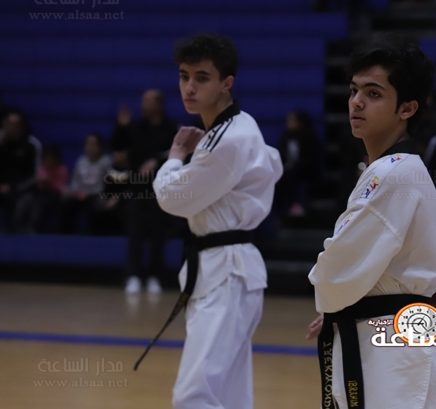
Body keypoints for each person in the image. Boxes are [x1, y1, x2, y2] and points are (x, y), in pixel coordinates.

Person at [305, 33, 436, 409]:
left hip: (390, 345)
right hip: (396, 337)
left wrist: (334, 299)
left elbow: (336, 268)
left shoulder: (393, 173)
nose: (357, 101)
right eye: (354, 90)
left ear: (407, 108)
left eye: (373, 93)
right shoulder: (397, 169)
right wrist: (340, 305)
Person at [143, 33, 283, 409]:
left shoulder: (228, 138)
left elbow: (171, 197)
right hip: (226, 269)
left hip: (227, 272)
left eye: (202, 77)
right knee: (229, 396)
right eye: (184, 76)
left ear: (226, 83)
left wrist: (175, 156)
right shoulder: (237, 128)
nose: (189, 87)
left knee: (193, 396)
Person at [111, 90, 179, 294]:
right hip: (137, 188)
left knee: (158, 234)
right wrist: (121, 126)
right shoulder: (135, 127)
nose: (143, 105)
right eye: (143, 101)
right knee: (135, 233)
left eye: (147, 101)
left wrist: (156, 161)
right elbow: (117, 148)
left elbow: (178, 153)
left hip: (162, 190)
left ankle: (154, 277)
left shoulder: (171, 128)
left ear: (159, 105)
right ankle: (133, 275)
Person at [60, 134, 113, 234]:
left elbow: (109, 185)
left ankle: (95, 237)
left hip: (97, 195)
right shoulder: (81, 161)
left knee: (96, 207)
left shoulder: (107, 162)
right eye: (88, 144)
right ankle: (65, 236)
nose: (90, 147)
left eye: (93, 144)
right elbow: (75, 181)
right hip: (79, 194)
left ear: (100, 146)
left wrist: (90, 194)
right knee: (65, 204)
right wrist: (74, 192)